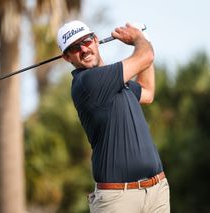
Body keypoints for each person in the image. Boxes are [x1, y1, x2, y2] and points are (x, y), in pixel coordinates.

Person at [57, 20, 170, 213]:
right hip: (119, 199)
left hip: (156, 190)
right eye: (75, 48)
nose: (84, 49)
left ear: (96, 40)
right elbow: (146, 56)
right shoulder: (87, 82)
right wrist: (138, 39)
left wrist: (145, 40)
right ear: (67, 57)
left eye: (86, 41)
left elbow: (147, 92)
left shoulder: (115, 81)